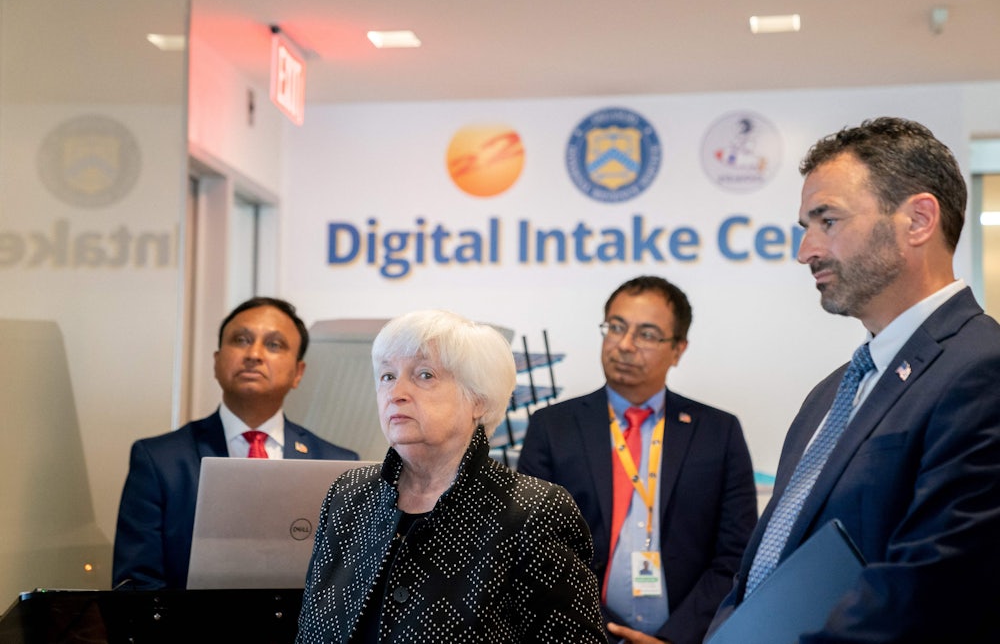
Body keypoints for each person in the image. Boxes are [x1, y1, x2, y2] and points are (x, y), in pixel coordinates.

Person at [705, 117, 1000, 643]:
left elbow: (929, 587)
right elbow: (757, 573)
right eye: (805, 227)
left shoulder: (982, 369)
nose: (806, 251)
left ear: (918, 220)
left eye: (828, 221)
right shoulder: (829, 394)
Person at [296, 309, 605, 643]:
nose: (396, 392)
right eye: (387, 376)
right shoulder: (349, 494)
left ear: (478, 400)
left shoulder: (533, 511)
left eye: (424, 375)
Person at [517, 276, 759, 644]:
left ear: (678, 349)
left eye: (646, 334)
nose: (625, 345)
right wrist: (605, 634)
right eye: (616, 327)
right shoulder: (553, 427)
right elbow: (538, 550)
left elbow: (735, 556)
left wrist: (675, 638)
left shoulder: (717, 433)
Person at [112, 296, 359, 590]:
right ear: (216, 362)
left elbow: (347, 587)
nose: (254, 354)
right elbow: (136, 585)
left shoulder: (338, 466)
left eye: (274, 345)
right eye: (241, 340)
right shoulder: (159, 461)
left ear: (298, 373)